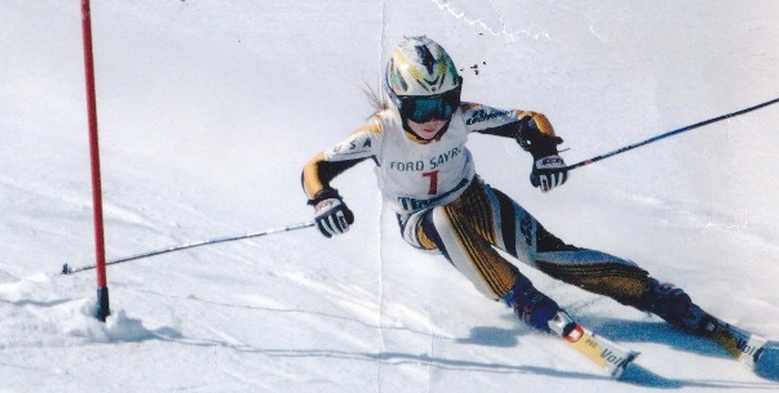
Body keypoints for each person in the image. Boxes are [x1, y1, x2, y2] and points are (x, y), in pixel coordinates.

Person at [301, 35, 714, 338]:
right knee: (444, 220)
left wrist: (544, 153)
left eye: (444, 102)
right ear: (397, 101)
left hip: (474, 198)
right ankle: (522, 298)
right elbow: (316, 167)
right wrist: (324, 199)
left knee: (545, 253)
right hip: (419, 221)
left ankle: (651, 293)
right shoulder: (379, 133)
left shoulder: (461, 116)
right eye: (421, 107)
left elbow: (527, 120)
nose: (435, 118)